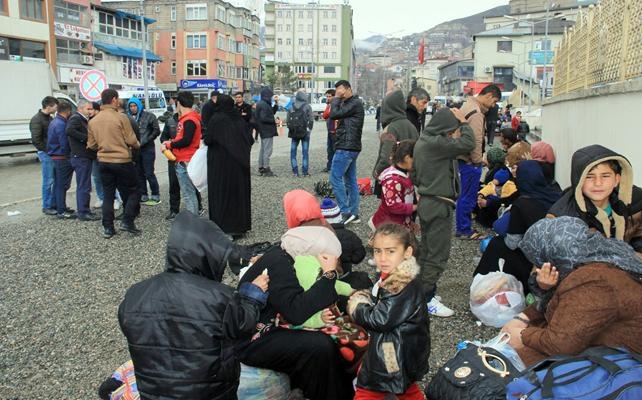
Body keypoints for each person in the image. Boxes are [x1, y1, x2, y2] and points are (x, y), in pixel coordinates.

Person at [118, 212, 269, 399]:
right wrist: (253, 295)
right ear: (208, 256)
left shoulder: (135, 294)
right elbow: (244, 325)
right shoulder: (220, 297)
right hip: (210, 393)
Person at [502, 216, 642, 366]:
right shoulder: (602, 255)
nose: (540, 267)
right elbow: (563, 300)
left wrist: (522, 336)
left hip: (625, 362)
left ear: (551, 255)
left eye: (540, 261)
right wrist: (524, 316)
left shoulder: (592, 280)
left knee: (515, 361)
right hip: (609, 342)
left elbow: (560, 345)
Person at [237, 235, 355, 399]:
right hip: (252, 339)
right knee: (320, 346)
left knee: (323, 345)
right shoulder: (280, 261)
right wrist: (329, 274)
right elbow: (296, 312)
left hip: (262, 328)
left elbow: (296, 305)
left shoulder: (281, 255)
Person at [348, 223, 429, 400]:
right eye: (378, 251)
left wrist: (357, 306)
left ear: (407, 252)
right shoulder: (395, 275)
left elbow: (380, 319)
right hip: (395, 346)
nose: (382, 258)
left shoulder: (399, 283)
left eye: (390, 251)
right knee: (402, 386)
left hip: (391, 349)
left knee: (369, 388)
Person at [412, 107, 475, 317]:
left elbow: (414, 176)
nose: (452, 135)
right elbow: (468, 144)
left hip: (429, 202)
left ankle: (421, 293)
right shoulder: (435, 144)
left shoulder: (424, 142)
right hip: (438, 205)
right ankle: (426, 299)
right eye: (450, 131)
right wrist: (464, 122)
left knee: (427, 251)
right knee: (437, 256)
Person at [547, 145, 642, 254]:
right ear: (578, 181)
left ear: (617, 180)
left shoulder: (635, 203)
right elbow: (546, 255)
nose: (598, 183)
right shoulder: (561, 217)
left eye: (605, 176)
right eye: (589, 176)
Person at [88, 89, 141, 238]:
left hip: (103, 161)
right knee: (135, 190)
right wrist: (137, 145)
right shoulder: (121, 117)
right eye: (117, 99)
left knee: (108, 195)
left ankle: (108, 228)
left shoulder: (93, 121)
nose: (118, 101)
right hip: (122, 160)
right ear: (113, 99)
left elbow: (91, 145)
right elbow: (131, 140)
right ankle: (127, 220)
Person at [280, 225, 353, 328]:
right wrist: (321, 319)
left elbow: (335, 285)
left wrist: (352, 291)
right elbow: (300, 318)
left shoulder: (313, 265)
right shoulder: (300, 296)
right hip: (311, 318)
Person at [203, 94, 253, 238]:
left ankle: (224, 227)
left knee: (222, 194)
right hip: (240, 165)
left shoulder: (217, 119)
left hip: (221, 166)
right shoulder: (238, 118)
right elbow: (249, 139)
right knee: (239, 195)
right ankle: (240, 227)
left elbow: (208, 139)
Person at [456, 84, 502, 240]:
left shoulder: (467, 105)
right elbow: (475, 141)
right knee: (468, 196)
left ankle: (463, 226)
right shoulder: (476, 113)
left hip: (462, 158)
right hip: (469, 161)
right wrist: (477, 161)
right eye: (494, 101)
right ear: (488, 96)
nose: (493, 105)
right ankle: (464, 230)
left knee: (464, 194)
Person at [329, 79, 365, 225]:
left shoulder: (354, 103)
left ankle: (345, 211)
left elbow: (334, 114)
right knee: (350, 181)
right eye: (336, 90)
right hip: (351, 147)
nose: (338, 92)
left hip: (346, 147)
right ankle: (354, 214)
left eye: (340, 89)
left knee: (335, 178)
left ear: (348, 89)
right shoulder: (350, 103)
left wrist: (337, 98)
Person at [161, 91, 202, 215]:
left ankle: (193, 224)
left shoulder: (189, 120)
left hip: (185, 160)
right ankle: (194, 221)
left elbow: (186, 140)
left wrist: (170, 144)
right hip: (186, 159)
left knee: (188, 194)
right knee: (189, 193)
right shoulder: (189, 118)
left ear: (179, 103)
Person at [373, 90, 419, 181]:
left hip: (391, 178)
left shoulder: (391, 128)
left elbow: (386, 158)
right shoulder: (411, 126)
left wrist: (376, 172)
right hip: (407, 177)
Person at [371, 140, 417, 231]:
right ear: (407, 158)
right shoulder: (392, 180)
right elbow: (393, 206)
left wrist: (410, 221)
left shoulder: (405, 174)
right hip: (388, 226)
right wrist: (415, 207)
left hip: (399, 222)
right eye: (415, 159)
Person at [66, 99, 99, 221]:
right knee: (84, 185)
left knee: (85, 184)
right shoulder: (76, 118)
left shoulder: (83, 120)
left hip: (84, 156)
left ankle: (85, 210)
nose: (90, 111)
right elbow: (69, 130)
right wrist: (86, 139)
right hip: (81, 156)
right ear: (80, 109)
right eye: (88, 109)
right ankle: (83, 212)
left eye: (91, 109)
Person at [127, 97, 161, 205]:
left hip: (148, 148)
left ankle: (155, 194)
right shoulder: (128, 118)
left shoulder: (149, 116)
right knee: (139, 173)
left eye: (134, 106)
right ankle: (143, 194)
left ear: (139, 106)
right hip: (135, 149)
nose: (133, 108)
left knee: (149, 173)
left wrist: (147, 140)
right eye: (131, 106)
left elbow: (156, 130)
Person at [30, 96, 59, 215]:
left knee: (55, 179)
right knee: (48, 180)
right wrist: (49, 151)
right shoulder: (37, 120)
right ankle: (47, 206)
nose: (57, 109)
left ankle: (54, 204)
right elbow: (36, 140)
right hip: (47, 154)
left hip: (52, 153)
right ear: (48, 106)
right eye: (55, 107)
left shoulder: (49, 118)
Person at [47, 100, 74, 219]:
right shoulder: (62, 124)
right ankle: (61, 210)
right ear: (68, 111)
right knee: (62, 185)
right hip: (61, 157)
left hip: (54, 156)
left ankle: (56, 205)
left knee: (57, 183)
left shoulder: (54, 122)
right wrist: (69, 156)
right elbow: (64, 144)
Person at [287, 90, 314, 177]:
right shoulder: (307, 107)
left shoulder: (291, 107)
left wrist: (291, 129)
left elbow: (288, 121)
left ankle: (295, 172)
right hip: (305, 133)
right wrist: (309, 130)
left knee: (293, 152)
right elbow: (311, 120)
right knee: (305, 153)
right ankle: (305, 172)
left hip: (294, 133)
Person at [255, 87, 279, 177]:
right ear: (267, 96)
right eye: (271, 96)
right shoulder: (263, 104)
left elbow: (271, 112)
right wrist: (274, 121)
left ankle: (261, 167)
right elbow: (264, 118)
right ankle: (266, 168)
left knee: (263, 149)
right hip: (266, 129)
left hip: (263, 130)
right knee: (267, 150)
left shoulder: (263, 103)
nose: (272, 97)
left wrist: (276, 105)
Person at [322, 89, 337, 173]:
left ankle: (334, 167)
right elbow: (325, 115)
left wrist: (328, 112)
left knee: (335, 150)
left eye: (329, 96)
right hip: (330, 130)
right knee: (329, 150)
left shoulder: (335, 105)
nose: (327, 98)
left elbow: (326, 114)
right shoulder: (329, 105)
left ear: (334, 96)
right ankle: (329, 166)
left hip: (335, 131)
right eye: (327, 96)